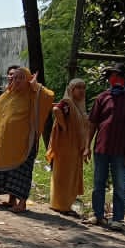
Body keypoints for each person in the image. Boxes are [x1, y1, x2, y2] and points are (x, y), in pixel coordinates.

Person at [0, 66, 54, 213]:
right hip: (7, 146)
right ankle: (11, 200)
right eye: (14, 77)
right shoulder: (6, 96)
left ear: (28, 79)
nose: (16, 80)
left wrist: (36, 85)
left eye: (21, 77)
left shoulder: (33, 95)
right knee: (9, 173)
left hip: (24, 144)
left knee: (21, 174)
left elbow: (49, 97)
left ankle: (22, 203)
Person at [85, 62, 125, 229]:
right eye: (112, 76)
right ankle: (98, 215)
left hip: (121, 150)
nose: (114, 78)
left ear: (124, 79)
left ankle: (117, 219)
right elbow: (93, 123)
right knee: (98, 184)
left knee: (119, 185)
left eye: (117, 76)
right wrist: (86, 145)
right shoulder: (102, 97)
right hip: (101, 148)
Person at [46, 78, 88, 215]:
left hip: (75, 148)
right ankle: (62, 206)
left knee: (70, 176)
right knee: (64, 176)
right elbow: (56, 110)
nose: (82, 91)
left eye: (83, 88)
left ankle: (62, 204)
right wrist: (64, 128)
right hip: (66, 147)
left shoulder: (78, 105)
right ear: (71, 90)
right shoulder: (68, 102)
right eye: (78, 88)